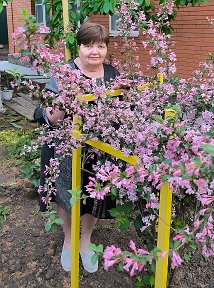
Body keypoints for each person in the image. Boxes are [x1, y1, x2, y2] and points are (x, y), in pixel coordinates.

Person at [37, 22, 121, 273]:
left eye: (101, 45)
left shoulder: (112, 74)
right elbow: (51, 118)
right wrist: (66, 98)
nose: (95, 51)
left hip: (98, 149)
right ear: (79, 47)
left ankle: (85, 242)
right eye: (88, 45)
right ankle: (69, 240)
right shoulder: (64, 73)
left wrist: (123, 96)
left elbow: (118, 115)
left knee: (93, 196)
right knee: (66, 195)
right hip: (65, 149)